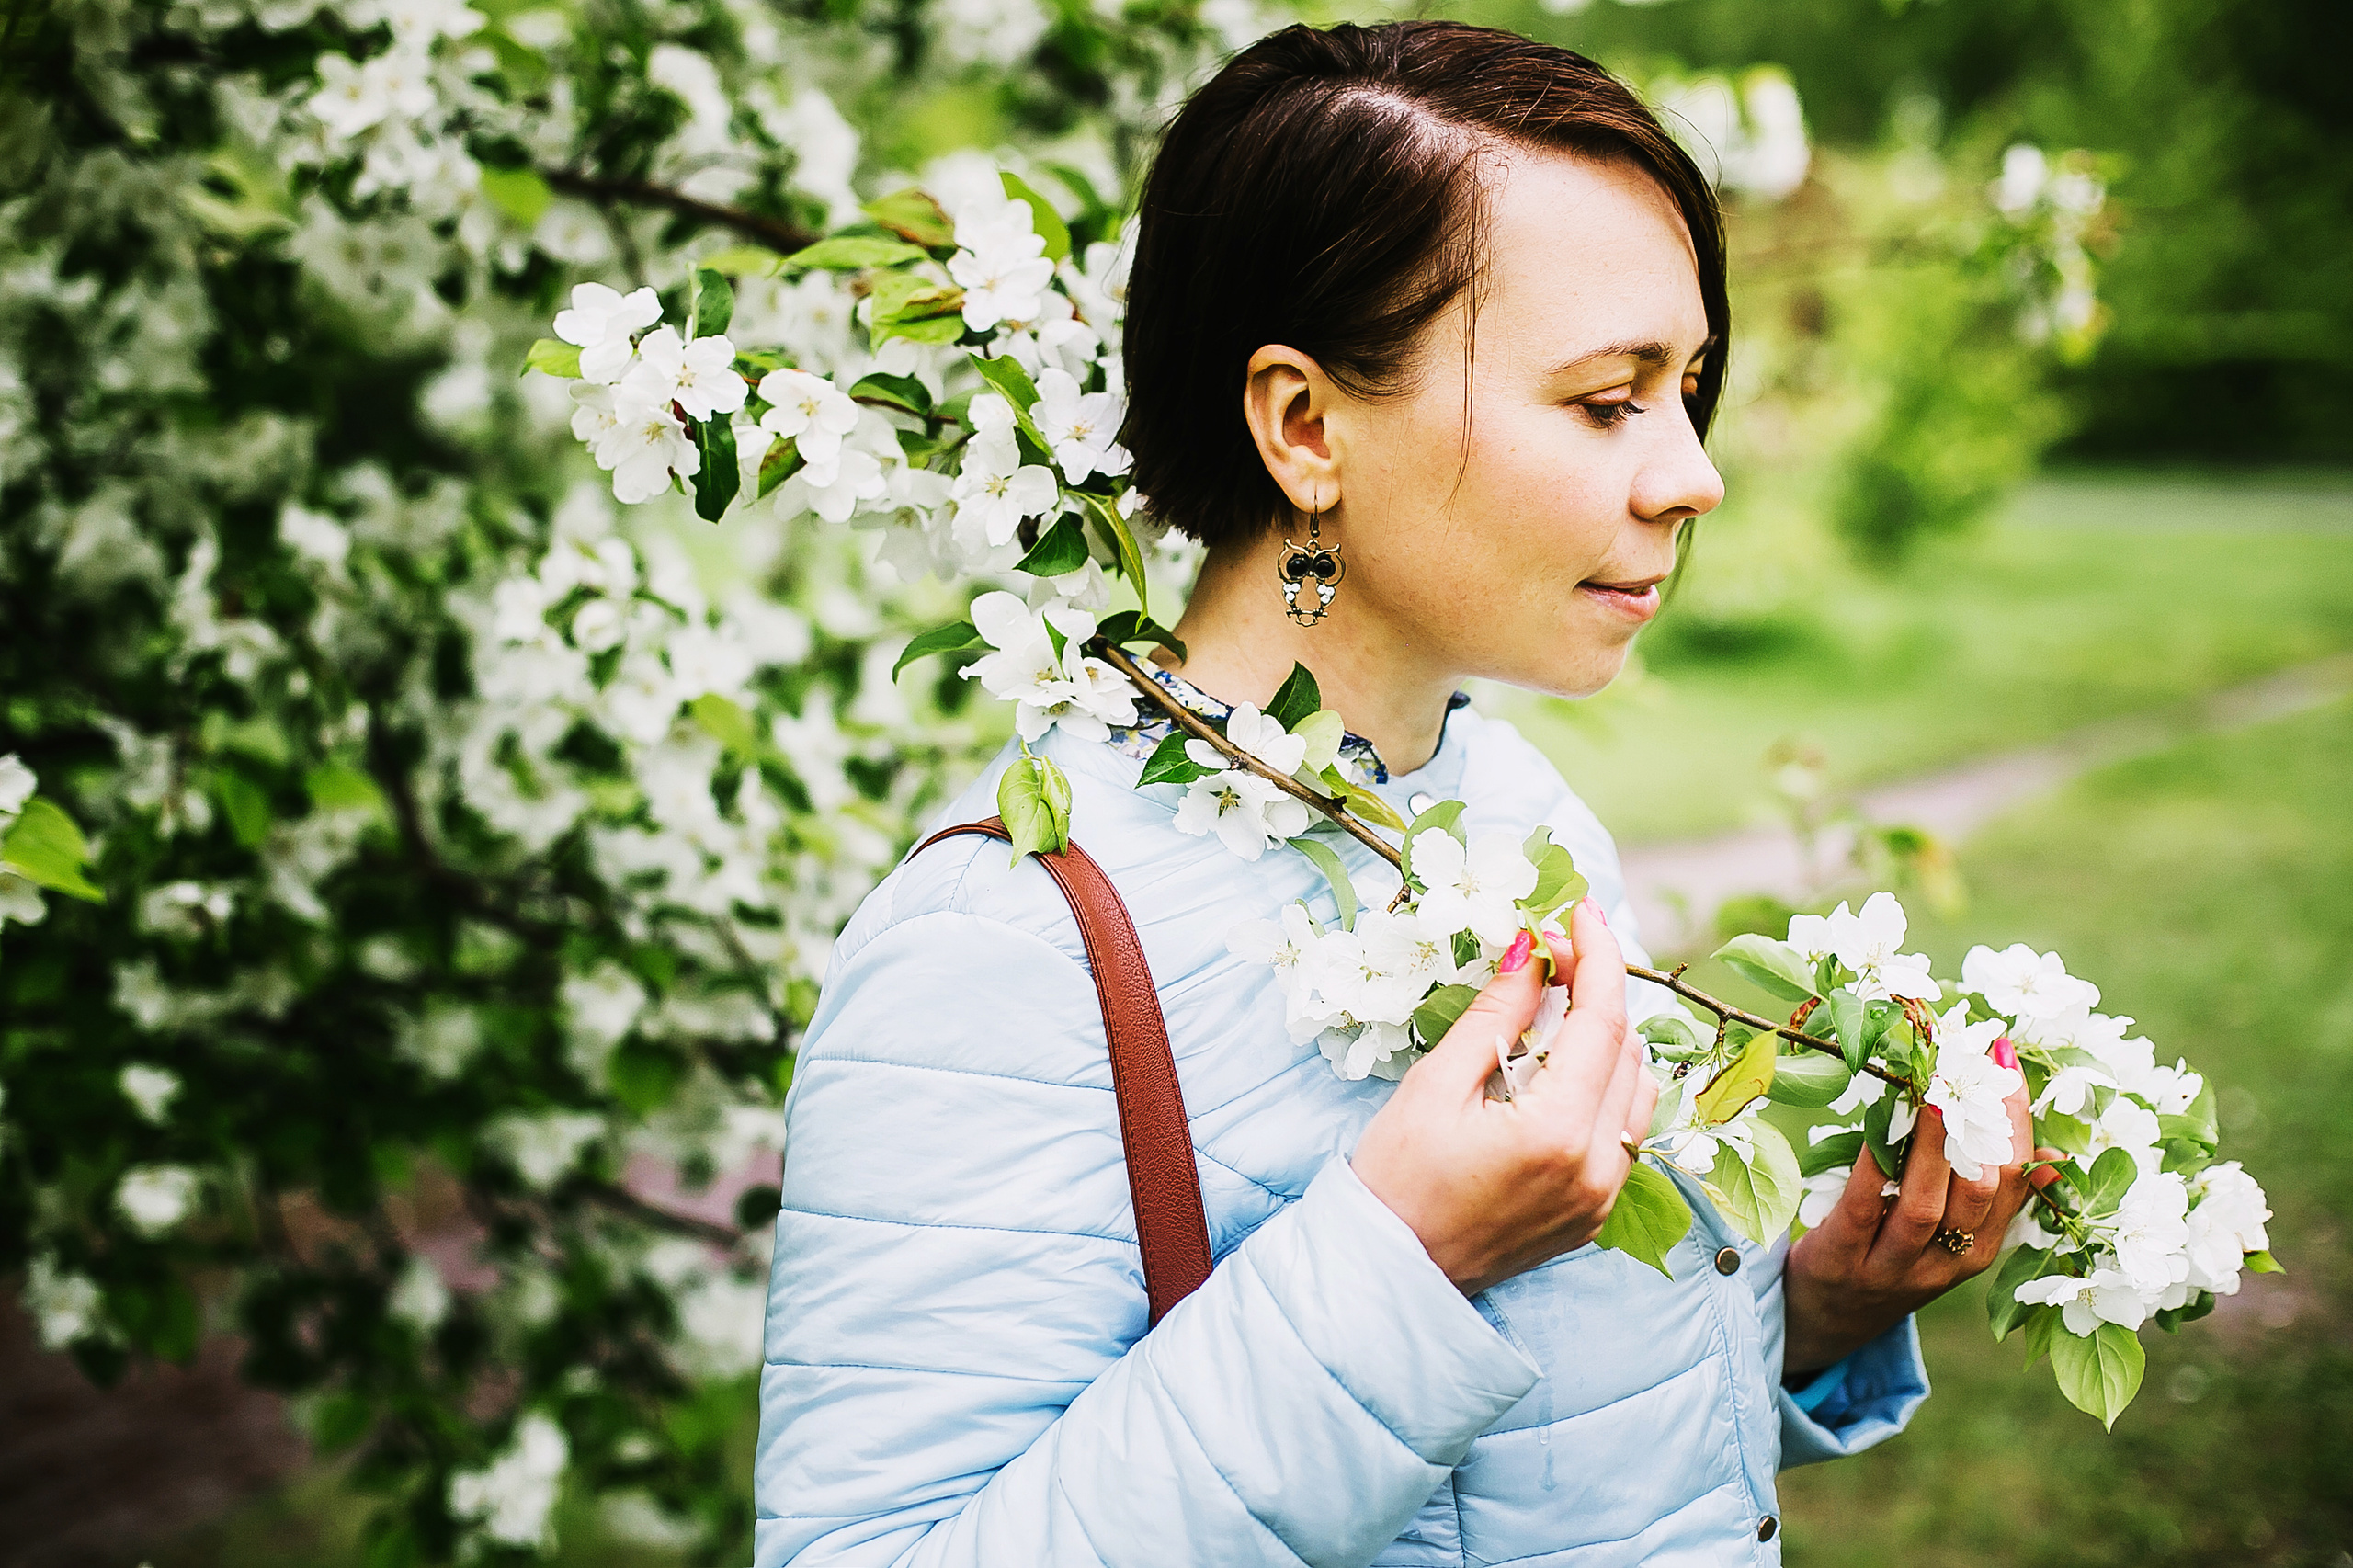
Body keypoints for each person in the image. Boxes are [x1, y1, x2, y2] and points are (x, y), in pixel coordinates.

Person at [754, 20, 2046, 1566]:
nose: (1693, 474)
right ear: (1308, 425)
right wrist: (1402, 1263)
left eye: (1686, 386)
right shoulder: (1003, 942)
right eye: (1606, 399)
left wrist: (1819, 1304)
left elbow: (1544, 1466)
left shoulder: (1517, 814)